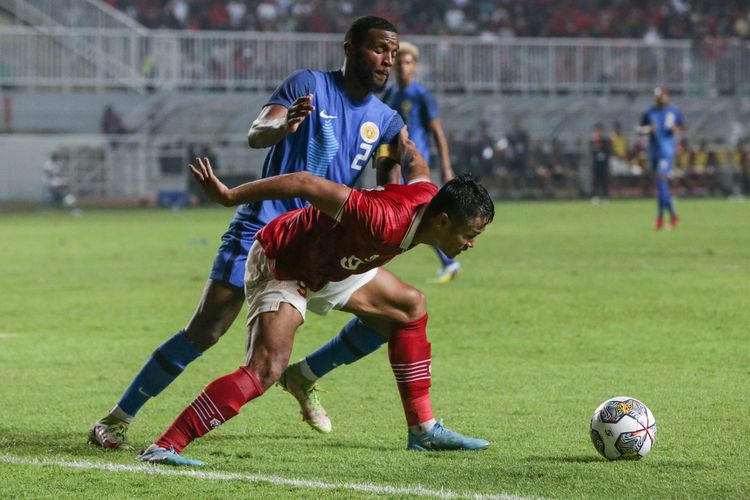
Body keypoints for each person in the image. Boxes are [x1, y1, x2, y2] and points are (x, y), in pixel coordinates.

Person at [89, 15, 409, 449]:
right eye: (378, 50)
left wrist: (405, 176)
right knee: (206, 330)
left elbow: (392, 186)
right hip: (263, 228)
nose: (386, 61)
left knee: (396, 314)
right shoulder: (307, 84)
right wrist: (283, 126)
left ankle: (306, 375)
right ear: (350, 48)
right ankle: (116, 419)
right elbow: (258, 133)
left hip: (320, 242)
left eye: (392, 53)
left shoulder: (387, 121)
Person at [137, 135, 493, 466]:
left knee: (409, 308)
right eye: (470, 234)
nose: (472, 243)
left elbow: (414, 159)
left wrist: (391, 143)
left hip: (336, 264)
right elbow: (304, 183)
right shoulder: (383, 220)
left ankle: (422, 430)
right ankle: (165, 445)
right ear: (443, 221)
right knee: (265, 369)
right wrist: (229, 196)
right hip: (285, 260)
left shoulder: (426, 197)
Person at [381, 41, 460, 283]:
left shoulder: (421, 95)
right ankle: (448, 261)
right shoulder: (391, 94)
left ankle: (449, 261)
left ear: (414, 66)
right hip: (395, 164)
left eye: (408, 63)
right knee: (408, 216)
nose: (403, 67)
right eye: (399, 62)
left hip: (416, 166)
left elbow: (437, 132)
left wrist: (446, 168)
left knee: (420, 216)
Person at [636, 87, 686, 230]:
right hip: (653, 151)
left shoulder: (674, 111)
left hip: (667, 151)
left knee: (661, 180)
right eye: (658, 97)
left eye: (663, 96)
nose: (661, 99)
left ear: (666, 96)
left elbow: (682, 126)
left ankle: (664, 217)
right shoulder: (648, 112)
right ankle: (667, 216)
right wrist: (646, 130)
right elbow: (639, 128)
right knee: (660, 185)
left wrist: (677, 130)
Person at [590, 123, 612, 202]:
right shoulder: (593, 141)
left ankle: (605, 196)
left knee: (604, 180)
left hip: (604, 163)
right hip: (595, 164)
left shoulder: (605, 141)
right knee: (596, 180)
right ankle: (595, 196)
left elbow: (608, 151)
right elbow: (591, 152)